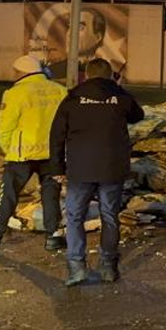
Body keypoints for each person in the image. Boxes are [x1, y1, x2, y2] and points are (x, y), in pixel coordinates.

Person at [50, 58, 145, 286]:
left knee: (74, 216)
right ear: (111, 75)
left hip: (80, 168)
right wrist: (118, 87)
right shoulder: (120, 97)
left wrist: (57, 167)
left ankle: (76, 267)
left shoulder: (72, 98)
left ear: (87, 75)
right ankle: (108, 267)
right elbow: (137, 115)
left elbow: (56, 135)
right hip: (112, 168)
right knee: (109, 216)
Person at [0, 55, 68, 252]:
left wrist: (9, 150)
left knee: (9, 195)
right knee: (51, 194)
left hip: (22, 155)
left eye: (16, 71)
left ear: (22, 72)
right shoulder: (60, 91)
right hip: (52, 154)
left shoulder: (15, 93)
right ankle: (54, 236)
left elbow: (3, 129)